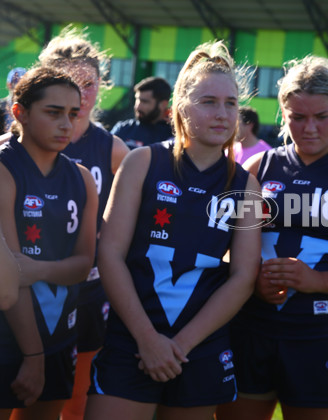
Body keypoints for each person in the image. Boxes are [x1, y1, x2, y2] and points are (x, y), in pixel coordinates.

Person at [84, 40, 261, 420]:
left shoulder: (245, 185)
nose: (223, 113)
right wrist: (148, 340)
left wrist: (178, 345)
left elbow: (244, 276)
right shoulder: (142, 163)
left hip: (198, 348)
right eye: (208, 102)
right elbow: (110, 254)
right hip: (131, 341)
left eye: (231, 103)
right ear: (180, 105)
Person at [216, 55, 328, 420]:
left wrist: (317, 281)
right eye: (297, 117)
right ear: (283, 114)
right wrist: (251, 278)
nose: (309, 128)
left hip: (321, 336)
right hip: (251, 326)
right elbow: (221, 252)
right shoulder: (257, 168)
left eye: (321, 117)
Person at [35, 27, 130, 420]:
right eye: (70, 82)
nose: (80, 93)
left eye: (89, 83)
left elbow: (125, 230)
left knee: (76, 398)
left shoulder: (114, 150)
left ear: (101, 87)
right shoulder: (19, 144)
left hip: (87, 292)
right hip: (28, 287)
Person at [0, 66, 98, 420]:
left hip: (58, 334)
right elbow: (6, 281)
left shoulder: (82, 179)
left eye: (72, 114)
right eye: (53, 113)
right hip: (9, 336)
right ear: (19, 112)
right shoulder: (4, 168)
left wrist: (34, 269)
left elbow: (83, 265)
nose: (66, 125)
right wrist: (32, 355)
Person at [111, 76, 173, 149]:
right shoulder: (123, 129)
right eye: (137, 100)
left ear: (163, 104)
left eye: (144, 102)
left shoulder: (172, 135)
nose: (137, 107)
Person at [0, 67, 27, 134]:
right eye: (16, 81)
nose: (19, 86)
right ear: (9, 85)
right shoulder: (1, 106)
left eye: (23, 82)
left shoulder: (32, 106)